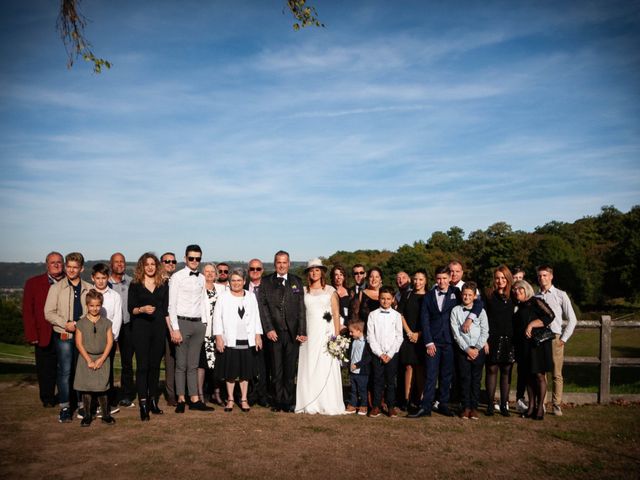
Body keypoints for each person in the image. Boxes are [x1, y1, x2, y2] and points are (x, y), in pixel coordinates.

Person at [409, 266, 482, 419]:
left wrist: (470, 318)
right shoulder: (428, 296)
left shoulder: (456, 293)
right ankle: (426, 407)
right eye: (439, 278)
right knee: (431, 374)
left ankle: (443, 404)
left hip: (450, 341)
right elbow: (424, 319)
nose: (441, 281)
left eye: (444, 278)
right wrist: (428, 342)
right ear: (436, 279)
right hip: (433, 342)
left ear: (450, 279)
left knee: (446, 375)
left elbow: (478, 303)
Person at [44, 252, 92, 423]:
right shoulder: (56, 288)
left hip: (82, 335)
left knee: (80, 371)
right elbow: (48, 313)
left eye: (75, 267)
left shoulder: (88, 288)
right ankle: (65, 407)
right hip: (64, 334)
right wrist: (65, 323)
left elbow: (93, 311)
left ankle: (80, 404)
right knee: (65, 371)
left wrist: (80, 324)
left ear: (81, 268)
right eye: (69, 267)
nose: (71, 270)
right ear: (65, 267)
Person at [258, 250, 306, 413]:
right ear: (274, 263)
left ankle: (288, 400)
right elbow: (262, 307)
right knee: (276, 369)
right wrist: (269, 329)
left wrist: (302, 330)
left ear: (289, 264)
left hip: (292, 333)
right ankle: (278, 401)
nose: (282, 265)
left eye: (284, 262)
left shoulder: (296, 281)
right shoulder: (266, 282)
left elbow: (301, 308)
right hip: (274, 333)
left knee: (290, 369)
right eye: (279, 262)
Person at [295, 258, 345, 415]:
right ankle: (309, 402)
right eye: (311, 270)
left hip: (326, 332)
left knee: (324, 365)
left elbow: (336, 314)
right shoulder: (304, 291)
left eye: (317, 270)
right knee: (309, 365)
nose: (314, 272)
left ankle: (327, 401)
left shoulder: (330, 291)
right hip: (309, 332)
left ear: (322, 272)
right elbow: (299, 314)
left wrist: (336, 337)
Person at [168, 245, 212, 413]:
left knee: (193, 364)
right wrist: (175, 329)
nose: (194, 261)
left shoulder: (201, 278)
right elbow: (171, 305)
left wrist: (204, 324)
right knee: (181, 364)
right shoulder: (177, 277)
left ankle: (194, 399)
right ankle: (181, 399)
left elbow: (203, 302)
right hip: (182, 323)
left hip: (198, 324)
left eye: (197, 258)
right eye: (191, 258)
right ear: (185, 258)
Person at [213, 269, 263, 413]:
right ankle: (230, 399)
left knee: (245, 372)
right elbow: (217, 318)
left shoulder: (251, 296)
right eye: (233, 280)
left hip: (247, 340)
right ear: (229, 282)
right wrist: (219, 337)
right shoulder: (223, 297)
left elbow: (256, 317)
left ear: (244, 281)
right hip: (230, 340)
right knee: (230, 372)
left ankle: (244, 399)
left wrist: (258, 335)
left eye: (239, 280)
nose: (236, 283)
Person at [128, 253, 170, 421]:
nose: (150, 267)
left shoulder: (163, 284)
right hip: (140, 329)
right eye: (147, 264)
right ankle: (143, 404)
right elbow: (131, 308)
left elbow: (167, 309)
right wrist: (142, 309)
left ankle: (153, 401)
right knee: (143, 367)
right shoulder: (135, 285)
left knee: (154, 367)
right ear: (142, 267)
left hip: (159, 329)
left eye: (153, 264)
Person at [22, 251, 64, 408]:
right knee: (45, 368)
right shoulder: (33, 283)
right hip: (42, 333)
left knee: (66, 367)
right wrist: (31, 334)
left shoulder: (70, 281)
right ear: (47, 264)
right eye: (53, 262)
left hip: (65, 332)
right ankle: (47, 398)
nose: (56, 265)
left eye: (59, 262)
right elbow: (28, 311)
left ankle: (65, 396)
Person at [536, 265, 577, 416]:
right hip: (540, 338)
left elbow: (572, 319)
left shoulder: (560, 295)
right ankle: (542, 403)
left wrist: (564, 339)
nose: (542, 278)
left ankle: (556, 404)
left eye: (545, 275)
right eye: (540, 276)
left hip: (555, 338)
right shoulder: (536, 296)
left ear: (551, 276)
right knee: (541, 373)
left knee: (556, 373)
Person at [513, 280, 555, 420]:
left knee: (539, 376)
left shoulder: (536, 301)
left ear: (526, 290)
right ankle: (530, 407)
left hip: (537, 346)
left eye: (520, 290)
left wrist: (532, 324)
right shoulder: (518, 306)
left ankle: (540, 408)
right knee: (528, 377)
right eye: (515, 290)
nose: (517, 292)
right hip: (524, 346)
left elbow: (550, 316)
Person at [74, 290, 115, 427]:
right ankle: (87, 415)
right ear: (87, 305)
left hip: (102, 358)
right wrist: (89, 360)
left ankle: (106, 415)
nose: (94, 308)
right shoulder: (80, 323)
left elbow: (110, 342)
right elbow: (78, 343)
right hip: (85, 359)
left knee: (102, 388)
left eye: (97, 305)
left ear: (101, 305)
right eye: (91, 306)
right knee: (86, 389)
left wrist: (101, 359)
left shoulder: (107, 323)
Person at [451, 282, 489, 420]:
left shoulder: (481, 311)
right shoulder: (455, 311)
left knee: (476, 379)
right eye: (464, 294)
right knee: (465, 378)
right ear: (461, 295)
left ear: (474, 296)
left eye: (469, 295)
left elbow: (485, 331)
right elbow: (456, 334)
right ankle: (465, 407)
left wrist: (477, 348)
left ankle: (474, 407)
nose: (466, 297)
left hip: (478, 350)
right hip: (463, 350)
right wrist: (467, 349)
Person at [484, 266, 516, 417]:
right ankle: (490, 404)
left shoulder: (514, 296)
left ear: (508, 279)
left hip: (510, 339)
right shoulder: (489, 296)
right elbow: (482, 318)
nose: (500, 280)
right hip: (492, 338)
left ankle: (504, 405)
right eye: (497, 277)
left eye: (503, 278)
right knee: (491, 370)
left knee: (506, 371)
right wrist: (484, 339)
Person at [91, 263, 122, 416]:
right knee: (91, 371)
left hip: (108, 340)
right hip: (90, 341)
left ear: (108, 278)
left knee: (106, 372)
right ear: (93, 278)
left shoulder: (115, 296)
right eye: (98, 278)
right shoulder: (88, 293)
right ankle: (92, 403)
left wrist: (112, 338)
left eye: (104, 278)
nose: (101, 281)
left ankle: (106, 403)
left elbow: (117, 318)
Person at [367, 287, 403, 418]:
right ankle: (376, 406)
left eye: (388, 299)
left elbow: (399, 336)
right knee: (377, 380)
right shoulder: (373, 315)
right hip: (377, 354)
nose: (385, 301)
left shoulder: (397, 315)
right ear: (378, 298)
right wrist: (380, 353)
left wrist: (390, 354)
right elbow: (371, 337)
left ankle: (391, 406)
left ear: (393, 299)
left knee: (391, 381)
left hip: (392, 354)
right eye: (383, 298)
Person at [397, 269, 427, 411]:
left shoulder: (429, 296)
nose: (417, 282)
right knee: (408, 367)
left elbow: (430, 319)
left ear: (426, 281)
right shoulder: (407, 295)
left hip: (422, 337)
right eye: (415, 279)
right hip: (408, 335)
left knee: (420, 368)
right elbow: (400, 314)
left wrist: (419, 334)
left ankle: (420, 399)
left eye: (420, 279)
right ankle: (407, 399)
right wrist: (409, 332)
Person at [108, 252, 136, 408]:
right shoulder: (105, 284)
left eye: (122, 262)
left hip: (127, 326)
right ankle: (109, 394)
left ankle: (126, 395)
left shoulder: (131, 283)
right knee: (108, 362)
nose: (119, 264)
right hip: (109, 328)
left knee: (127, 363)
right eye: (116, 262)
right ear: (111, 265)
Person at [245, 258, 270, 407]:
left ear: (262, 271)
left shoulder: (269, 287)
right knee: (251, 365)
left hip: (267, 333)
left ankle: (264, 394)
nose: (255, 271)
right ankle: (251, 394)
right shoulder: (242, 288)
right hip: (248, 332)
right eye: (252, 269)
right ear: (248, 271)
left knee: (265, 365)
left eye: (258, 269)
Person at [201, 263, 223, 406]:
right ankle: (201, 394)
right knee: (202, 365)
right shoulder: (198, 289)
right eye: (206, 271)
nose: (209, 274)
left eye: (212, 272)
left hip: (219, 332)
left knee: (217, 365)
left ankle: (217, 393)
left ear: (216, 274)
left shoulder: (222, 289)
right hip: (203, 331)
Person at [160, 251, 178, 406]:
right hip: (157, 326)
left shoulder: (178, 280)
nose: (170, 264)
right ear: (161, 263)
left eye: (173, 261)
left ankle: (172, 394)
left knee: (172, 361)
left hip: (173, 326)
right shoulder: (155, 281)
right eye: (167, 261)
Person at [345, 320, 371, 415]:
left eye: (352, 332)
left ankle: (363, 406)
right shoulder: (353, 342)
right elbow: (350, 354)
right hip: (352, 371)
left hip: (362, 372)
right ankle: (352, 405)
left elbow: (368, 357)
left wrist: (357, 365)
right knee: (353, 389)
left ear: (359, 330)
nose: (350, 333)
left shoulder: (366, 342)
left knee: (362, 389)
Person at [330, 264, 351, 329]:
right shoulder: (330, 291)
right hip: (334, 326)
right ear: (333, 277)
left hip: (348, 327)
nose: (339, 277)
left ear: (344, 277)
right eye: (336, 275)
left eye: (341, 274)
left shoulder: (350, 292)